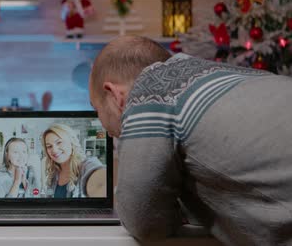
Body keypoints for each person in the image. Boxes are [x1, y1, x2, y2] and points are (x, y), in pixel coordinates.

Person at [88, 35, 292, 245]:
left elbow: (143, 221)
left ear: (113, 95)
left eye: (97, 110)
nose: (101, 123)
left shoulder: (150, 92)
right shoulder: (236, 73)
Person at [41, 123, 106, 198]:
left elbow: (101, 177)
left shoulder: (86, 166)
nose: (54, 150)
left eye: (59, 142)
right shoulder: (54, 173)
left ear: (71, 142)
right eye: (49, 146)